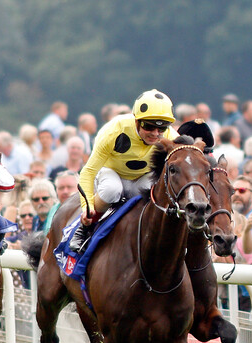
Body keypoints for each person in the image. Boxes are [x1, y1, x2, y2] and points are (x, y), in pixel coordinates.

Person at [70, 89, 178, 252]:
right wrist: (87, 206)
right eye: (149, 126)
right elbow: (88, 172)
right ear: (137, 121)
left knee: (153, 192)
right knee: (112, 190)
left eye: (161, 128)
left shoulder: (170, 136)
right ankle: (84, 229)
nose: (156, 134)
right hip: (110, 171)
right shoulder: (114, 131)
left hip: (141, 178)